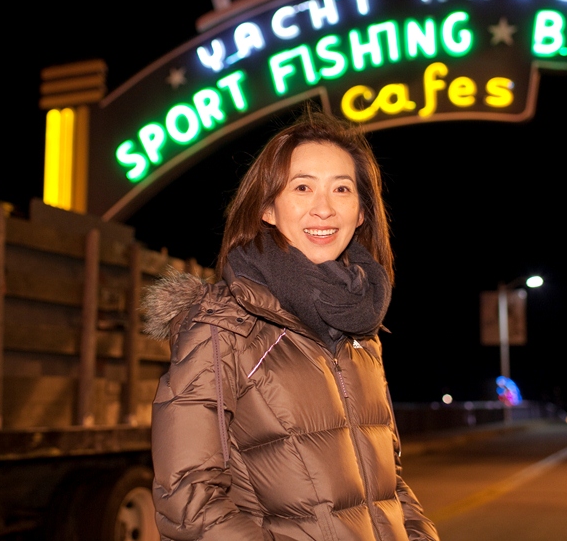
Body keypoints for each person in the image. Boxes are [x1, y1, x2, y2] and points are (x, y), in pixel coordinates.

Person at [144, 110, 440, 541]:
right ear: (267, 208)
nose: (324, 208)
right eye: (302, 187)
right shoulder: (223, 327)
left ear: (361, 213)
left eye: (342, 189)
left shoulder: (363, 332)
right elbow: (187, 500)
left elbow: (388, 485)